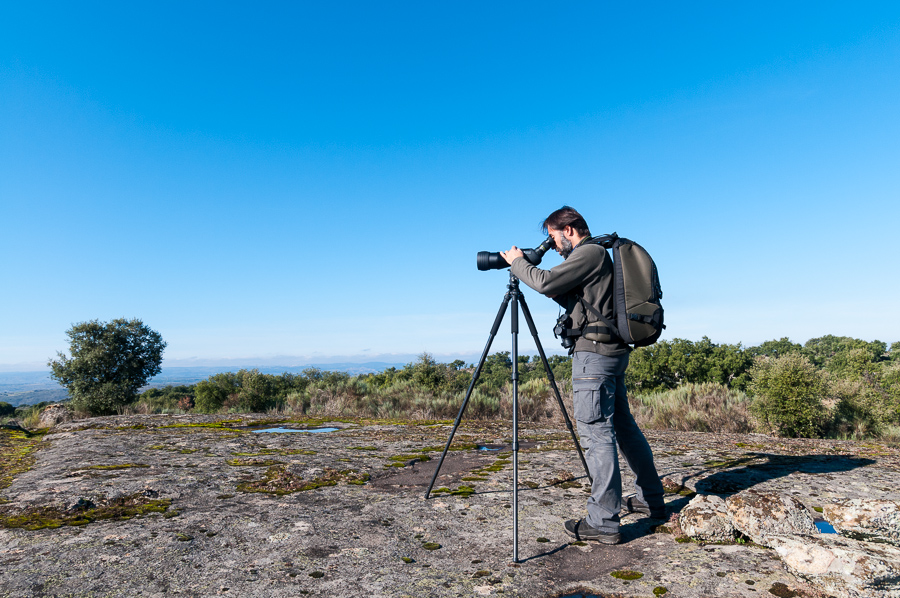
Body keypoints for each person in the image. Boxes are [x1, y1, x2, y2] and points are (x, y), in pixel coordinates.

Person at [500, 206, 665, 545]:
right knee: (623, 428)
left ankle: (603, 521)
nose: (552, 244)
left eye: (552, 236)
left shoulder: (588, 252)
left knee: (596, 434)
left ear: (569, 229)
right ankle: (650, 499)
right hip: (611, 354)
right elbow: (569, 295)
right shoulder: (598, 256)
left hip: (594, 359)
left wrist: (517, 263)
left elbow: (545, 280)